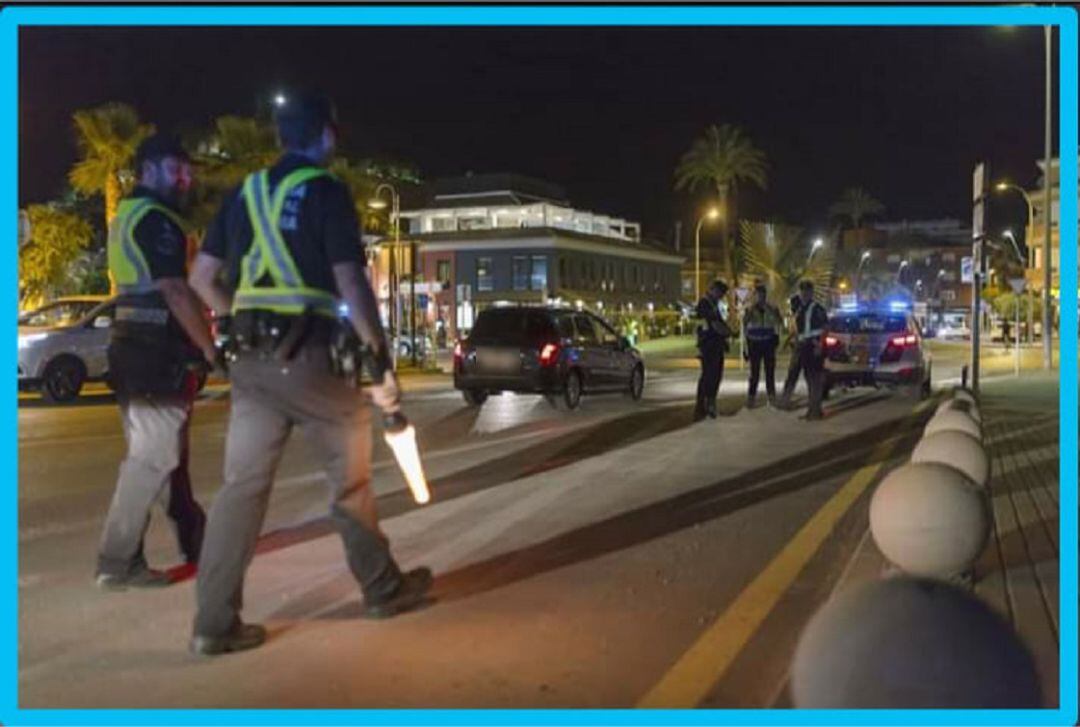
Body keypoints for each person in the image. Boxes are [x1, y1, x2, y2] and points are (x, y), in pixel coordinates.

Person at [187, 93, 432, 656]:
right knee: (349, 483)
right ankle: (381, 589)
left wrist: (241, 318)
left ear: (279, 138)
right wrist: (379, 360)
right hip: (314, 360)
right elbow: (350, 284)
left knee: (240, 492)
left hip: (252, 365)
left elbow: (203, 278)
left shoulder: (243, 194)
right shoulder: (325, 192)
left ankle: (213, 623)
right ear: (325, 136)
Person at [96, 134, 213, 590]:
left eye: (187, 169)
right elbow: (175, 290)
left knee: (169, 457)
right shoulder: (157, 220)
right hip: (153, 353)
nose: (185, 177)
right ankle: (117, 561)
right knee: (152, 458)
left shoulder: (128, 215)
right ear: (147, 170)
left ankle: (198, 543)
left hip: (133, 348)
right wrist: (209, 347)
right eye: (174, 168)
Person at [693, 279, 732, 421]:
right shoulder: (705, 304)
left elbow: (719, 323)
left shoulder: (713, 305)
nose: (721, 296)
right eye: (720, 293)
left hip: (714, 345)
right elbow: (715, 325)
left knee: (715, 375)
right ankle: (704, 405)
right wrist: (728, 332)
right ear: (714, 290)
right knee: (709, 376)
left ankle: (708, 403)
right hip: (708, 346)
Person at [792, 280, 830, 420]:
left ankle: (815, 411)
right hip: (804, 346)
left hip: (814, 346)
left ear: (811, 292)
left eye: (807, 291)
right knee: (809, 379)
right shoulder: (801, 308)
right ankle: (812, 410)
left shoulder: (817, 308)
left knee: (815, 380)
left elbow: (825, 327)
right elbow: (800, 330)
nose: (804, 294)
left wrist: (820, 345)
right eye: (802, 291)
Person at [741, 281, 783, 408]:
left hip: (768, 343)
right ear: (755, 296)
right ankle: (751, 398)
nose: (760, 297)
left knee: (770, 372)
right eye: (758, 295)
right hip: (754, 343)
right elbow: (745, 324)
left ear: (765, 295)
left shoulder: (772, 308)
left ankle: (771, 398)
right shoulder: (750, 309)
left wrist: (776, 338)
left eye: (762, 295)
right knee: (755, 374)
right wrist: (745, 348)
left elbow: (779, 322)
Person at [777, 293, 804, 409]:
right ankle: (785, 399)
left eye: (792, 305)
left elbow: (798, 332)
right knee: (793, 375)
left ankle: (785, 400)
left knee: (793, 374)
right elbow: (794, 332)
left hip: (801, 348)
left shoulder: (801, 315)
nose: (791, 307)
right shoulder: (797, 315)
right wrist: (787, 342)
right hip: (799, 347)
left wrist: (789, 341)